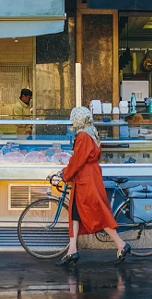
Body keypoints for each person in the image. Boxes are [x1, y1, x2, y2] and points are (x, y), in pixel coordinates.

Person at [57, 107, 131, 266]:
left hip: (86, 179)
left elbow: (78, 160)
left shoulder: (83, 135)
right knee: (75, 213)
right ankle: (72, 251)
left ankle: (121, 244)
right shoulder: (92, 132)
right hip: (90, 175)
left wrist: (66, 174)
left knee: (97, 213)